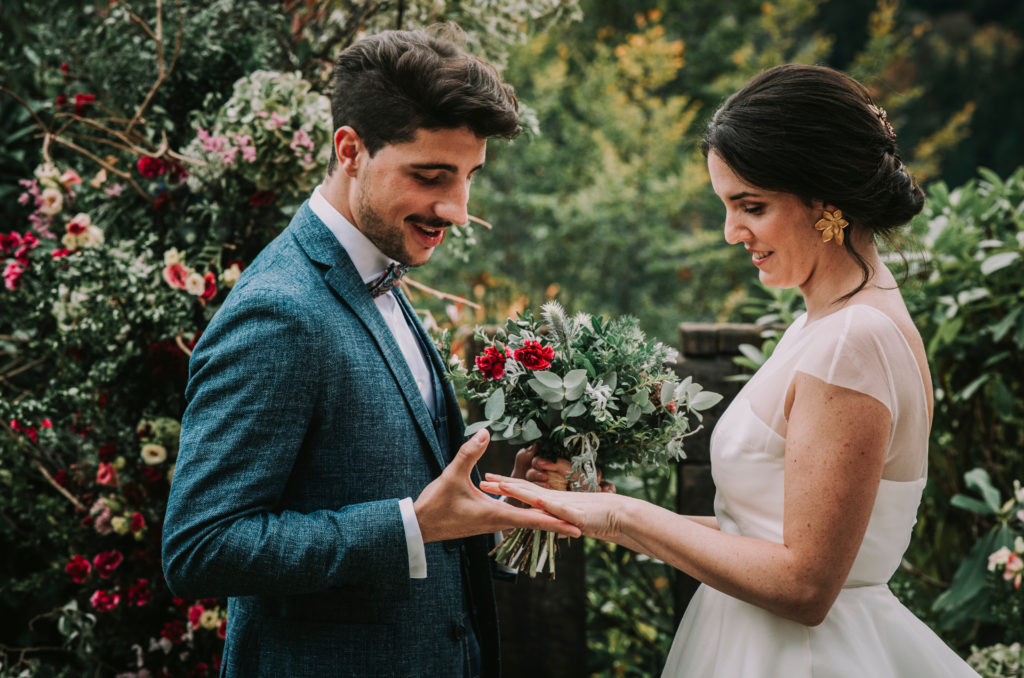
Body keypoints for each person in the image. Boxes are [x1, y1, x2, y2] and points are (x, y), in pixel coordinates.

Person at [482, 64, 981, 677]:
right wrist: (595, 514)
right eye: (727, 206)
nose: (730, 232)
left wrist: (623, 516)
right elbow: (766, 533)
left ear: (827, 198)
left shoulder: (856, 338)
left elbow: (804, 586)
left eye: (752, 206)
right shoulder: (830, 323)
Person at [161, 25, 579, 678]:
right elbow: (201, 548)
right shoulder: (280, 311)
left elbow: (412, 503)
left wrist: (503, 508)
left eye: (469, 176)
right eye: (430, 175)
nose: (458, 209)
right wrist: (408, 525)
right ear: (350, 149)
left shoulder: (380, 271)